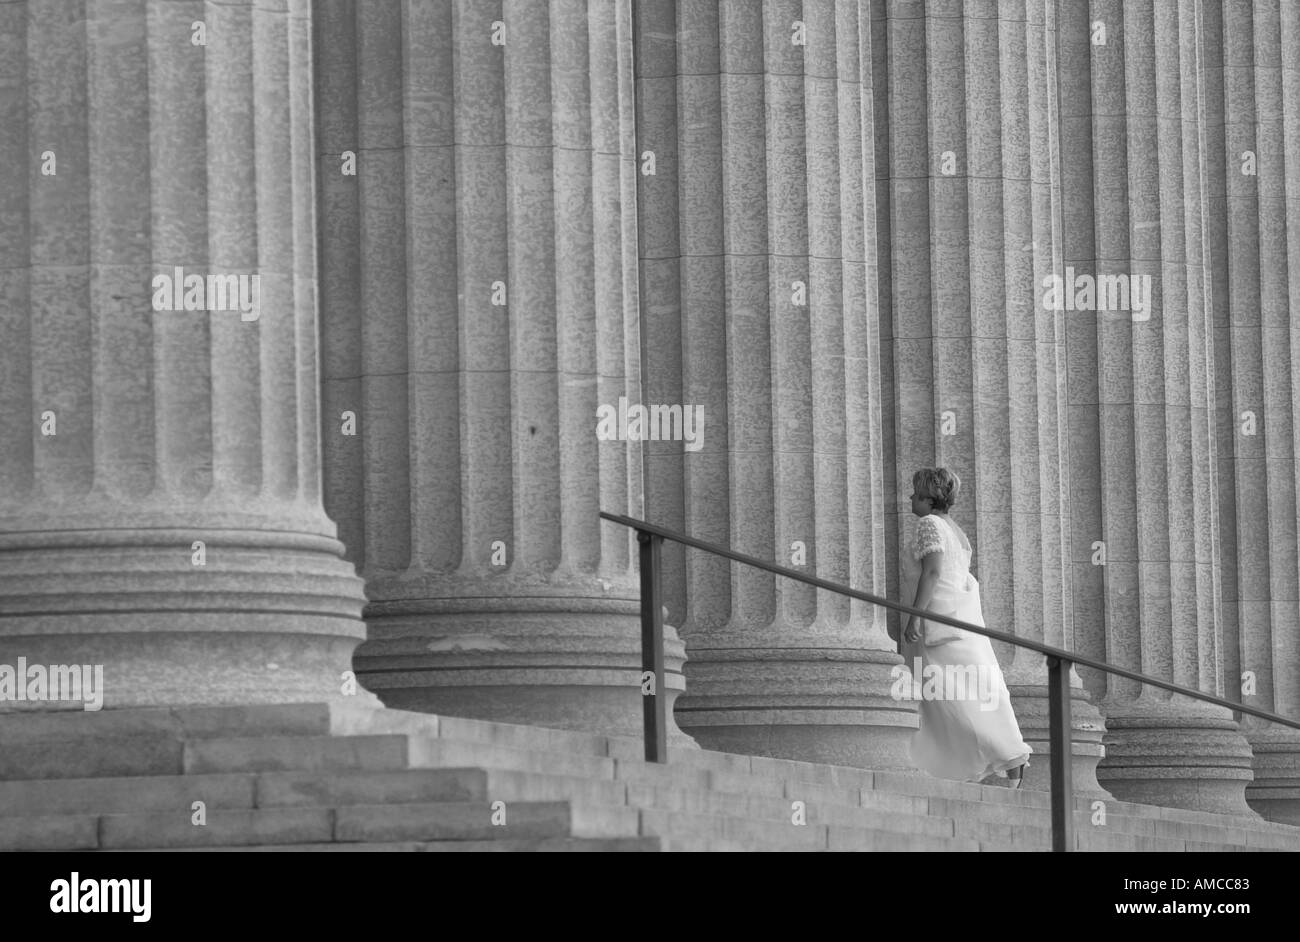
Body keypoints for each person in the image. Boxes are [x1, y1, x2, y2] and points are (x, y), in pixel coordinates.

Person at [893, 467, 1031, 786]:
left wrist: (915, 617)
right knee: (977, 687)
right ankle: (1007, 753)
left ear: (929, 500)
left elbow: (932, 573)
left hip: (936, 622)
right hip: (962, 619)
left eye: (915, 494)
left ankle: (1001, 753)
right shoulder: (956, 530)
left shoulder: (928, 524)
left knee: (943, 694)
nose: (910, 498)